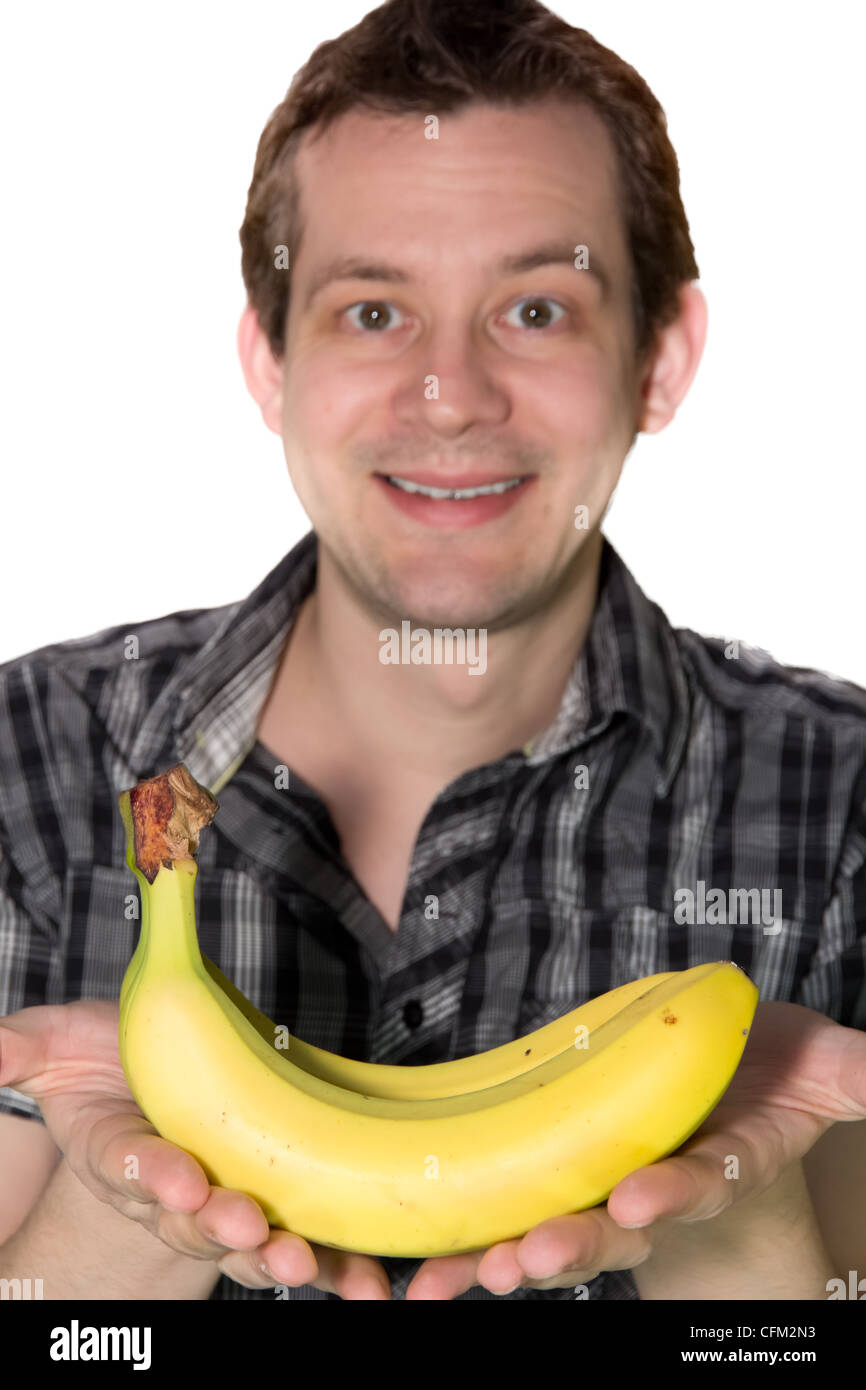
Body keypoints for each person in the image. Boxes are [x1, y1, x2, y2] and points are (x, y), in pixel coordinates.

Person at [1, 0, 864, 1303]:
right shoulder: (22, 767)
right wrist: (121, 1212)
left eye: (534, 309)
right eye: (369, 313)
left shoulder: (842, 801)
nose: (448, 391)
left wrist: (736, 1225)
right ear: (268, 365)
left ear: (659, 362)